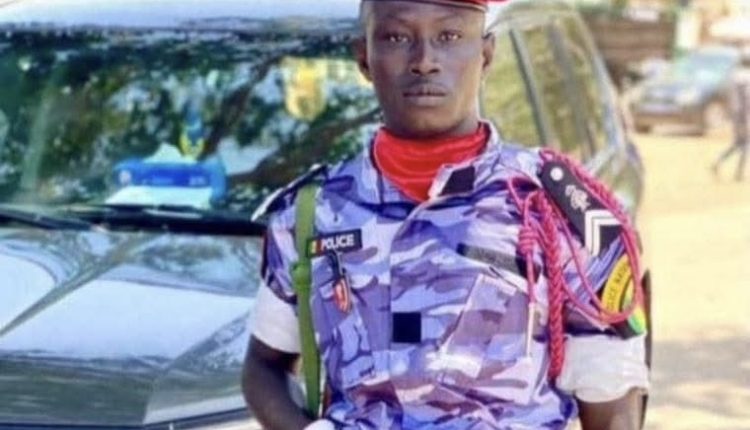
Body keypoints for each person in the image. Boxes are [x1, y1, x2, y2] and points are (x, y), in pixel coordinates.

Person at [242, 0, 650, 429]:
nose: (424, 61)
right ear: (364, 58)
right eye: (397, 37)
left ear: (486, 54)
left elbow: (612, 401)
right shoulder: (311, 214)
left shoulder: (557, 212)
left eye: (449, 36)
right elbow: (263, 367)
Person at [711, 69, 750, 181]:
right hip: (742, 115)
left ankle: (717, 162)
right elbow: (746, 99)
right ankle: (739, 173)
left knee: (738, 143)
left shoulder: (734, 76)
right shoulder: (747, 78)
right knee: (746, 143)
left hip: (735, 114)